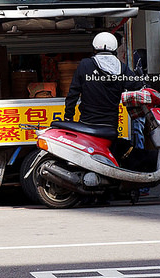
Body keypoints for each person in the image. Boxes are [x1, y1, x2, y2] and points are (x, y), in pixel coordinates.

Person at [62, 32, 154, 173]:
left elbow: (73, 94)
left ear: (94, 48)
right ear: (115, 49)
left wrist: (68, 117)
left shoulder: (85, 65)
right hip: (109, 127)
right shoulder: (121, 68)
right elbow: (137, 85)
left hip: (86, 125)